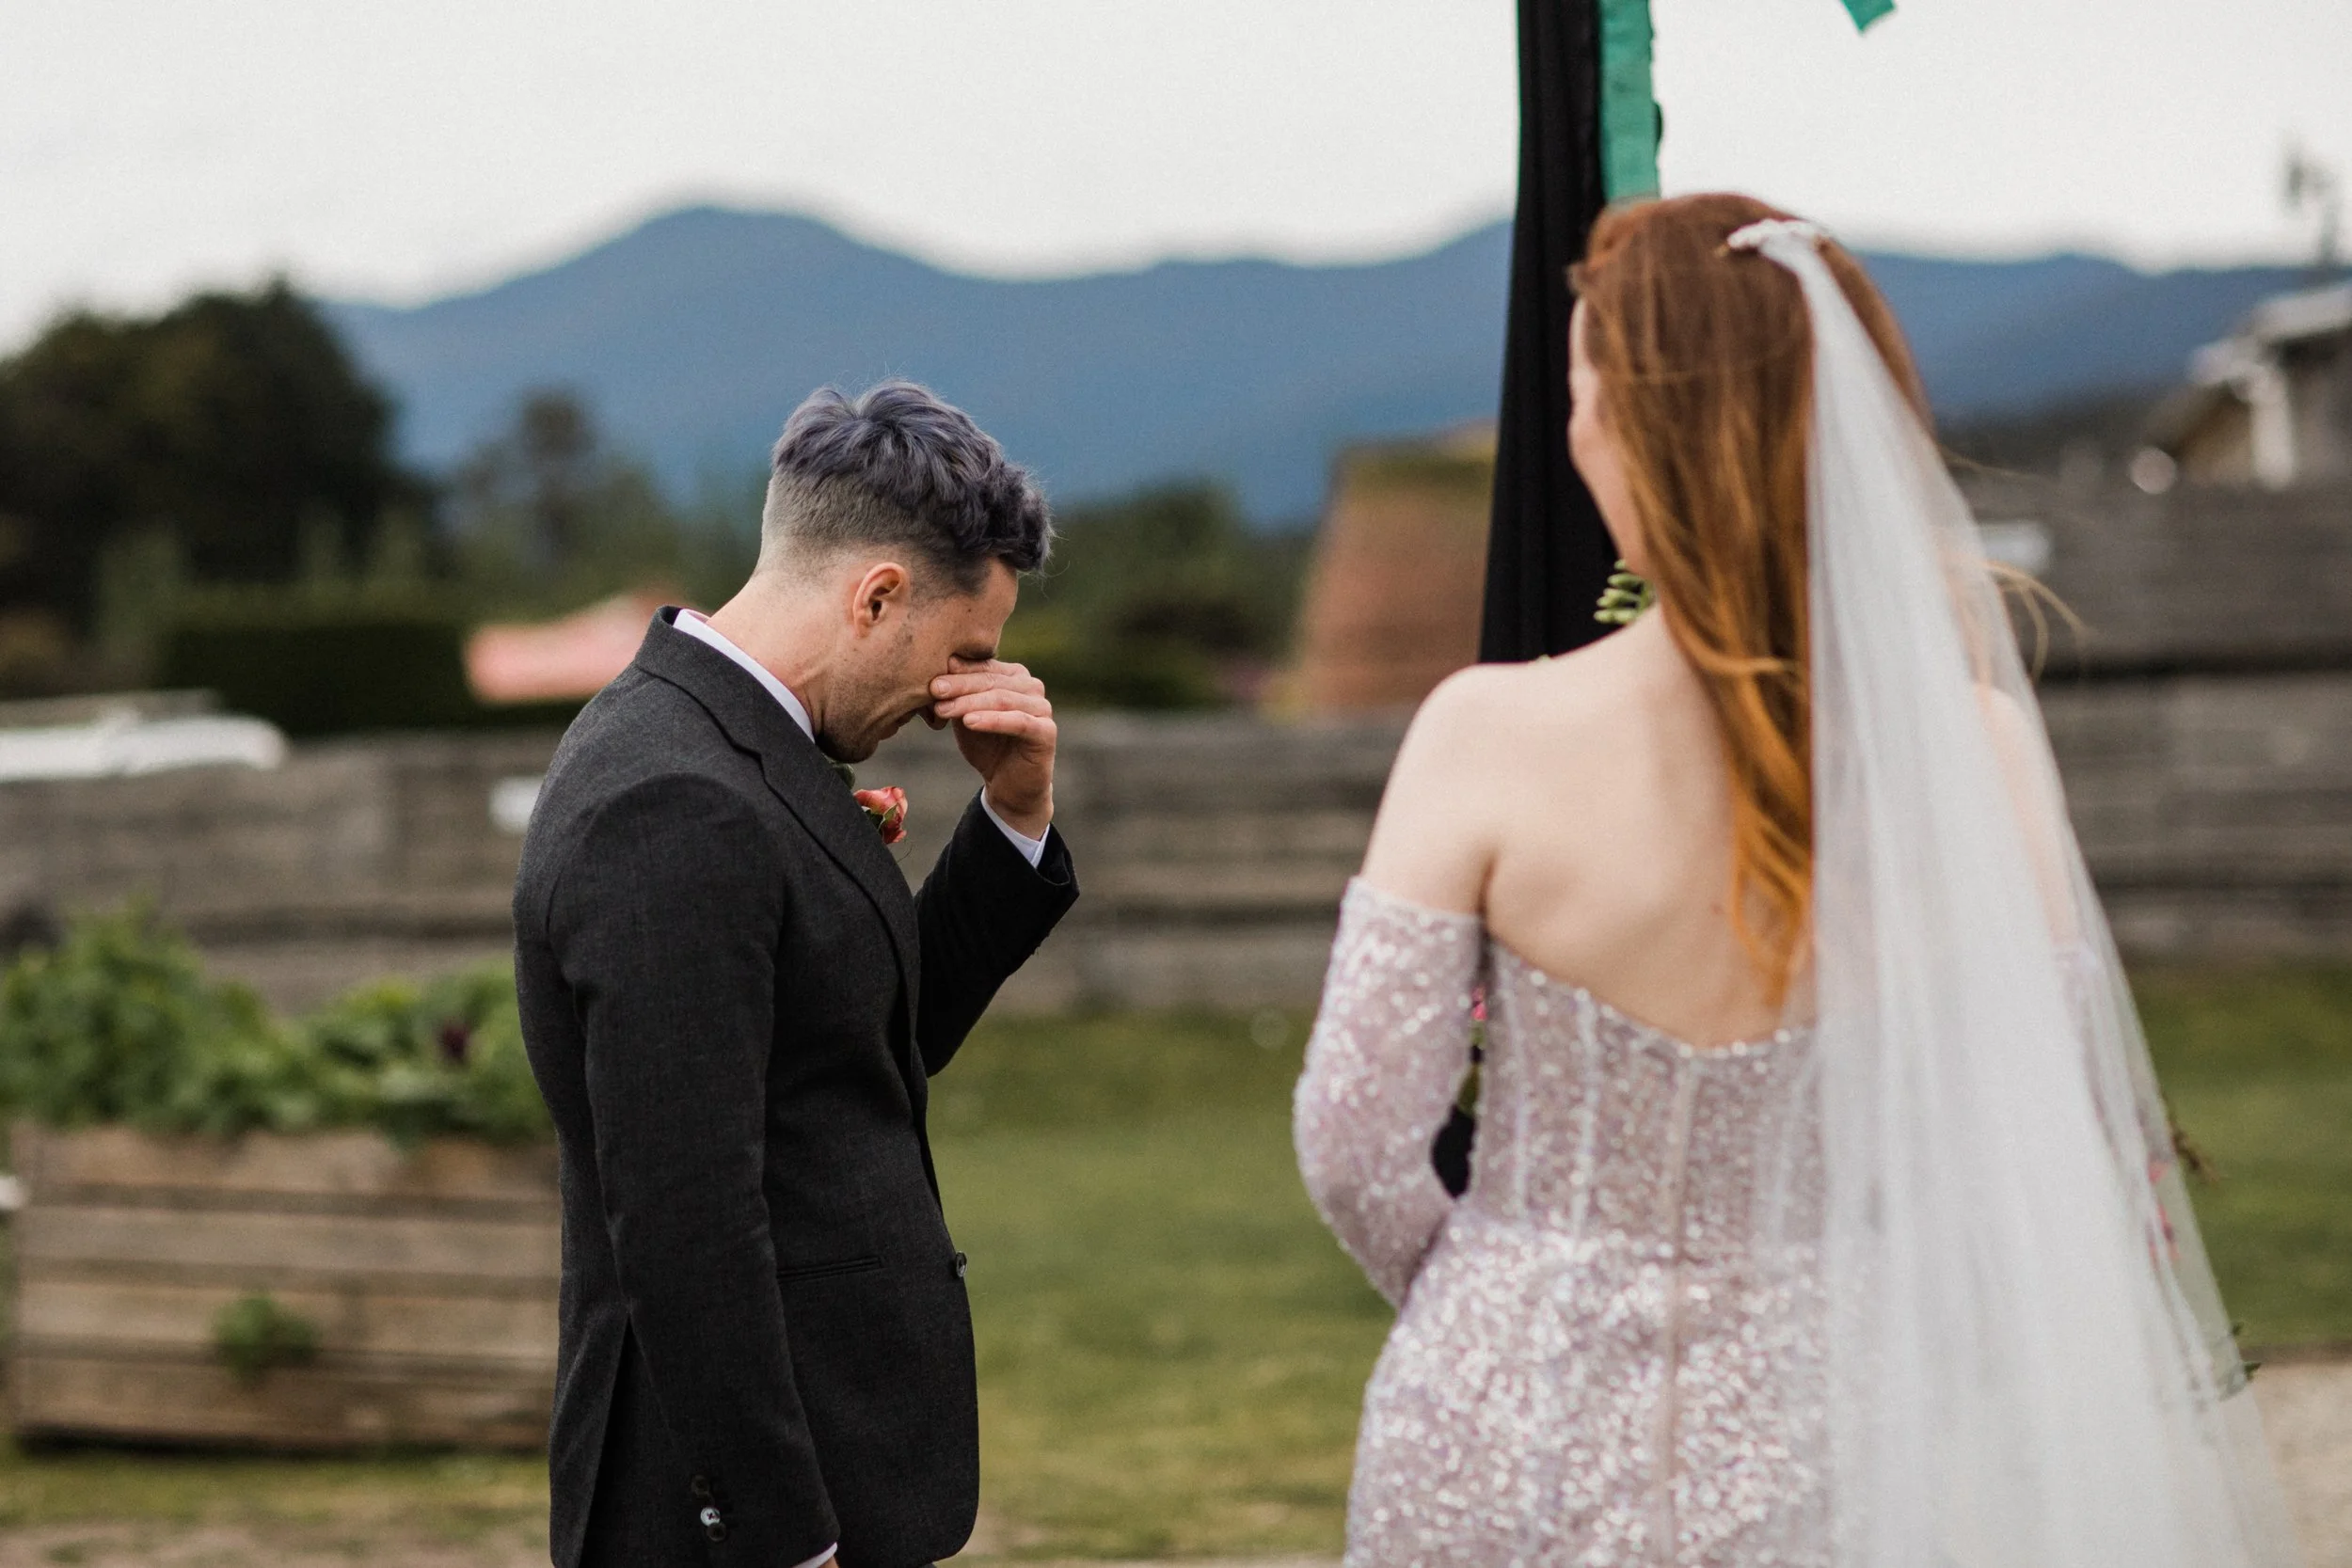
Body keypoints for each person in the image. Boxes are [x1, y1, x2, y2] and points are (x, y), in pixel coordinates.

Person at [1295, 194, 2299, 1566]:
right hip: (1845, 1444)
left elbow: (1354, 1135)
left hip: (1502, 1427)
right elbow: (2052, 1120)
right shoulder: (1983, 750)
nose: (1573, 428)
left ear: (1644, 426)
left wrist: (1492, 1286)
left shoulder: (1488, 732)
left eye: (1585, 389)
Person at [514, 381, 1079, 1568]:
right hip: (730, 1507)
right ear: (876, 594)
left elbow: (874, 1037)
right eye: (961, 650)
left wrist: (1012, 811)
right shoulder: (672, 797)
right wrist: (782, 1537)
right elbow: (684, 1218)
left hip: (843, 1451)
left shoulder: (742, 745)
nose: (955, 693)